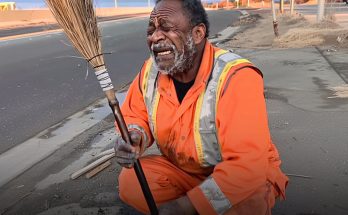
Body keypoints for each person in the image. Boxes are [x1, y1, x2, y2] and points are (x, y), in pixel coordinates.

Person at [114, 0, 288, 214]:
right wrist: (133, 136)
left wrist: (184, 206)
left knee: (246, 203)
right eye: (151, 29)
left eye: (167, 28)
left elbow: (247, 164)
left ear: (197, 34)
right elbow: (134, 114)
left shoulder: (236, 77)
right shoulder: (151, 71)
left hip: (240, 175)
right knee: (132, 182)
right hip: (185, 170)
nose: (155, 37)